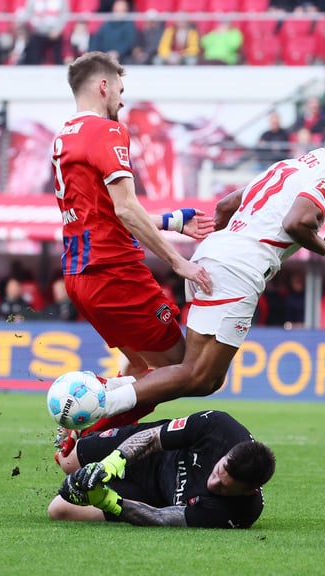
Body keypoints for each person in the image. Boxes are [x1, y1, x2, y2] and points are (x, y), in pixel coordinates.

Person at [77, 122, 325, 426]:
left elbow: (226, 205)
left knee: (206, 379)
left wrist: (221, 246)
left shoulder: (291, 165)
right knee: (196, 376)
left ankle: (104, 393)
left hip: (216, 256)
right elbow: (297, 222)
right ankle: (100, 402)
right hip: (239, 269)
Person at [51, 52, 215, 447]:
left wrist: (172, 221)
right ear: (103, 86)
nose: (123, 101)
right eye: (121, 90)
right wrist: (178, 261)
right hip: (114, 274)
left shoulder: (63, 137)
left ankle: (87, 421)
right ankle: (84, 432)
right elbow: (124, 208)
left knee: (145, 369)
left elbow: (104, 213)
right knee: (182, 370)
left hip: (82, 276)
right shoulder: (106, 132)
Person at [50, 410, 275, 528]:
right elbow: (152, 438)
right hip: (153, 453)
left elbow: (161, 517)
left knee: (59, 510)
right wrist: (112, 463)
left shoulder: (238, 514)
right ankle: (97, 424)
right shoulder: (218, 425)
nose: (212, 483)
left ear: (249, 491)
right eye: (217, 472)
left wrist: (106, 500)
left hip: (153, 498)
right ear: (226, 455)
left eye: (224, 487)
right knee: (66, 460)